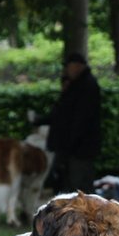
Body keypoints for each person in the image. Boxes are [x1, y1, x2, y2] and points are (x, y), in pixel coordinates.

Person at [44, 52, 102, 194]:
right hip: (73, 147)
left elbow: (80, 119)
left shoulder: (86, 86)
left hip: (79, 148)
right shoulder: (77, 85)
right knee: (72, 184)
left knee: (79, 186)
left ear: (77, 66)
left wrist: (70, 143)